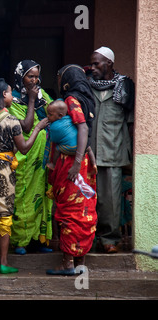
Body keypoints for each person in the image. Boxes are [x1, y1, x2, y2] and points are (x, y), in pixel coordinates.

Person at [0, 78, 49, 274]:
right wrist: (38, 127)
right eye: (10, 93)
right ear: (4, 95)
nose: (12, 96)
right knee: (4, 215)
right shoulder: (10, 121)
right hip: (4, 172)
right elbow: (25, 148)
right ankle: (3, 262)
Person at [46, 64, 97, 275]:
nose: (57, 82)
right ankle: (80, 262)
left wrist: (76, 163)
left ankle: (68, 262)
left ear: (65, 80)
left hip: (72, 164)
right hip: (84, 163)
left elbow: (82, 127)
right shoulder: (87, 98)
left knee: (70, 211)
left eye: (59, 78)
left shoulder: (71, 100)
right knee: (85, 209)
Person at [89, 46, 135, 254]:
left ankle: (109, 240)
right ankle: (88, 238)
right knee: (88, 199)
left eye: (96, 63)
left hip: (113, 151)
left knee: (111, 201)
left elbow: (131, 123)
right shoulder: (87, 86)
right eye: (91, 64)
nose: (92, 68)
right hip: (88, 153)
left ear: (109, 63)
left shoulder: (124, 87)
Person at [8, 60, 54, 255]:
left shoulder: (45, 97)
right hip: (24, 157)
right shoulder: (13, 100)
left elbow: (56, 116)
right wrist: (33, 101)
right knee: (23, 197)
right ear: (20, 77)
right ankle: (20, 241)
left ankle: (38, 240)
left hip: (43, 158)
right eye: (30, 76)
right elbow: (25, 127)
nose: (34, 80)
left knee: (41, 196)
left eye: (36, 76)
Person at [45, 99, 97, 172]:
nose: (47, 116)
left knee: (57, 148)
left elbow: (54, 140)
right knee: (88, 148)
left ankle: (53, 164)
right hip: (81, 147)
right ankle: (94, 164)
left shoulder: (54, 126)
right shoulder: (70, 118)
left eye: (50, 114)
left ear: (60, 115)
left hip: (70, 148)